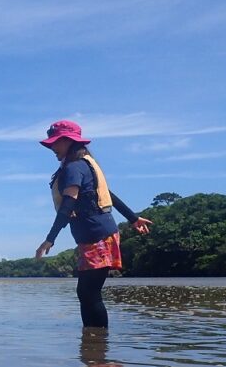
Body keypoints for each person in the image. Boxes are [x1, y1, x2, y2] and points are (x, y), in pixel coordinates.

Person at [34, 121, 152, 328]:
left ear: (68, 141)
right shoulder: (84, 164)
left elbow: (68, 204)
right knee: (88, 293)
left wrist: (50, 239)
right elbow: (108, 195)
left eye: (56, 143)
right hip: (98, 234)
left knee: (89, 293)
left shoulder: (74, 167)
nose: (52, 148)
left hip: (96, 235)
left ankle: (97, 349)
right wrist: (133, 218)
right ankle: (95, 347)